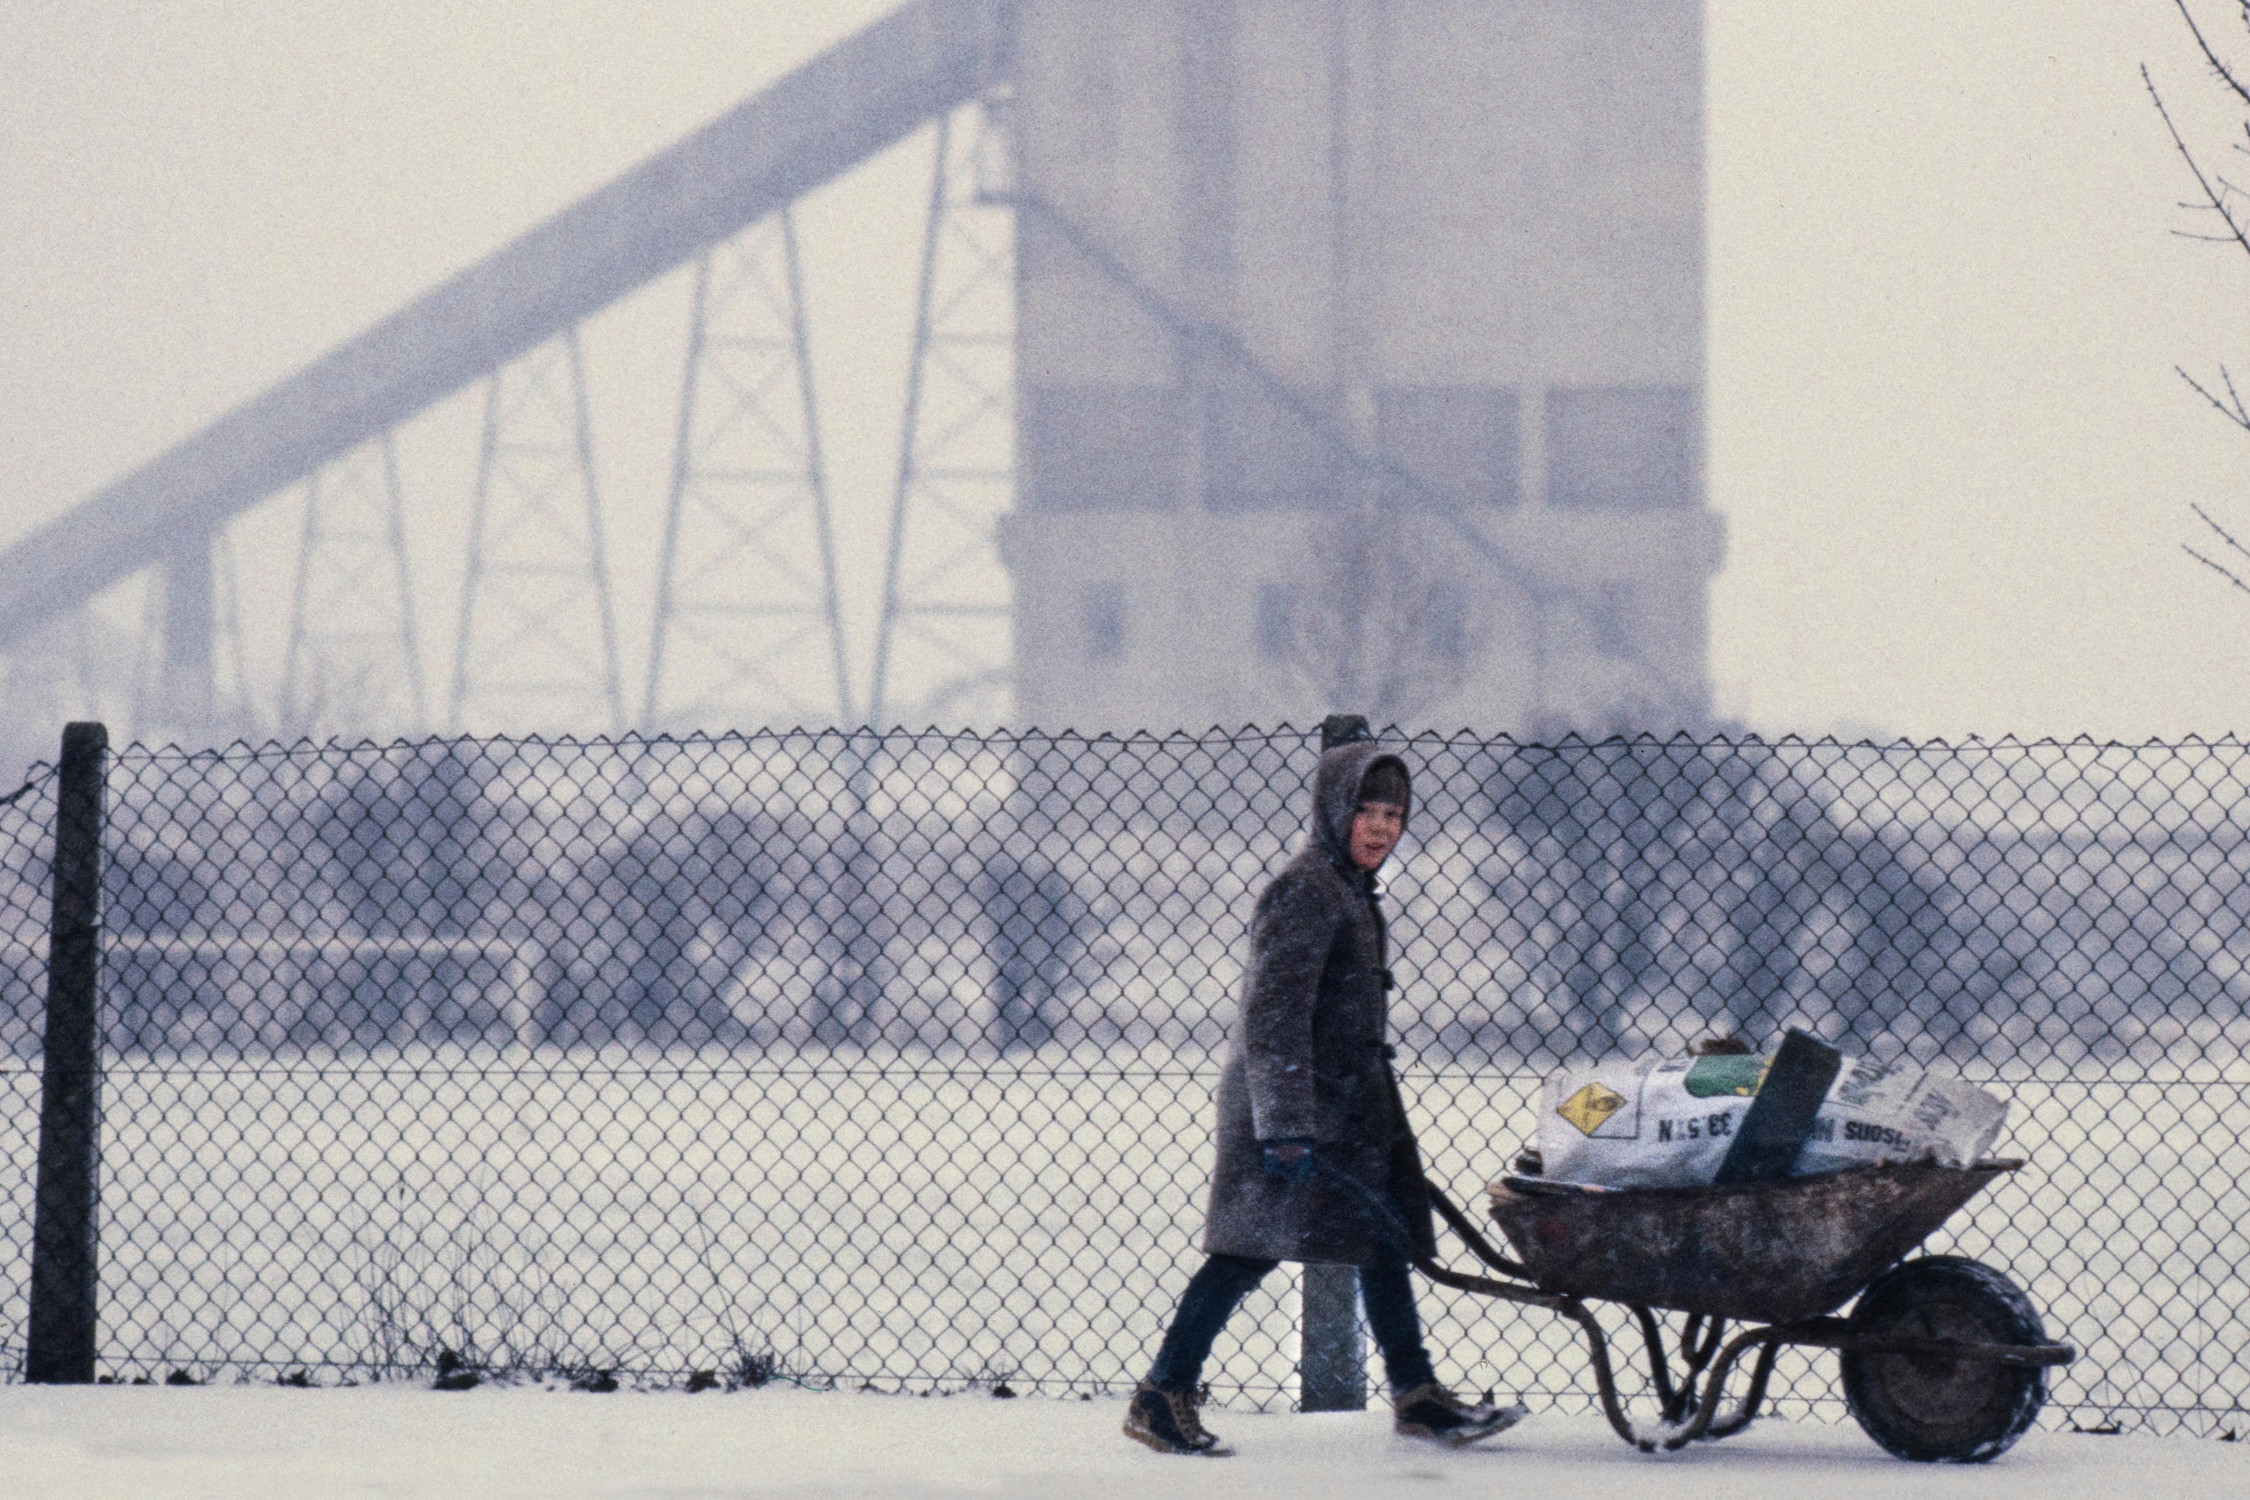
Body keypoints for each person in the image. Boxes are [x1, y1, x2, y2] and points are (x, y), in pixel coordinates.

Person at [1124, 740, 1522, 1456]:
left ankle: (1416, 1393)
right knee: (1247, 1251)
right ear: (1334, 811)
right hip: (1288, 1113)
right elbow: (1272, 1017)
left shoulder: (1350, 891)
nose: (1379, 827)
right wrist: (1284, 1128)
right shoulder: (1307, 889)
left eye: (1393, 813)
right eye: (1365, 810)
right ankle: (1161, 1394)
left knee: (1381, 1239)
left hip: (1346, 1111)